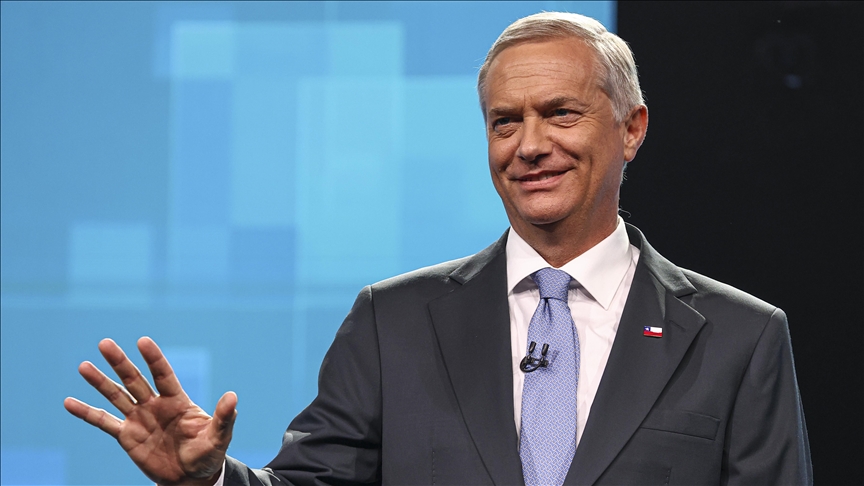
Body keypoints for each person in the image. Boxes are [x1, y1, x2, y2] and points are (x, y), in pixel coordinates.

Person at [65, 11, 812, 485]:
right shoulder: (391, 321)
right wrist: (214, 480)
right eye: (504, 121)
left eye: (560, 113)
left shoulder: (740, 338)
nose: (529, 146)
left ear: (631, 129)